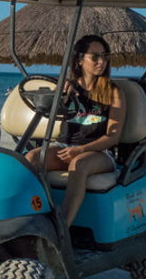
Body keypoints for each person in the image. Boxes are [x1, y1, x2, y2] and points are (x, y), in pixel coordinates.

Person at [25, 35, 127, 226]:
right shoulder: (67, 87)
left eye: (104, 56)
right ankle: (32, 217)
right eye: (95, 57)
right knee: (32, 158)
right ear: (80, 60)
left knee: (78, 164)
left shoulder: (113, 91)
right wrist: (63, 96)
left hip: (98, 152)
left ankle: (63, 226)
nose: (102, 61)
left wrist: (80, 150)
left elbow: (113, 136)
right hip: (66, 146)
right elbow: (51, 115)